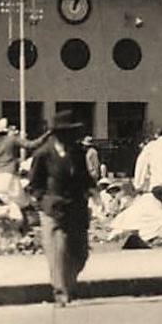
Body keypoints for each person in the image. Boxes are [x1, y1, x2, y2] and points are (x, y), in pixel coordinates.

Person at [27, 110, 95, 306]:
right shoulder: (43, 154)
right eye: (67, 133)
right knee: (59, 250)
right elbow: (34, 183)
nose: (71, 137)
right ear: (57, 134)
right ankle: (61, 292)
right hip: (53, 209)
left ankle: (69, 285)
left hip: (76, 208)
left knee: (81, 252)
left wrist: (92, 190)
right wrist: (43, 201)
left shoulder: (78, 152)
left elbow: (84, 178)